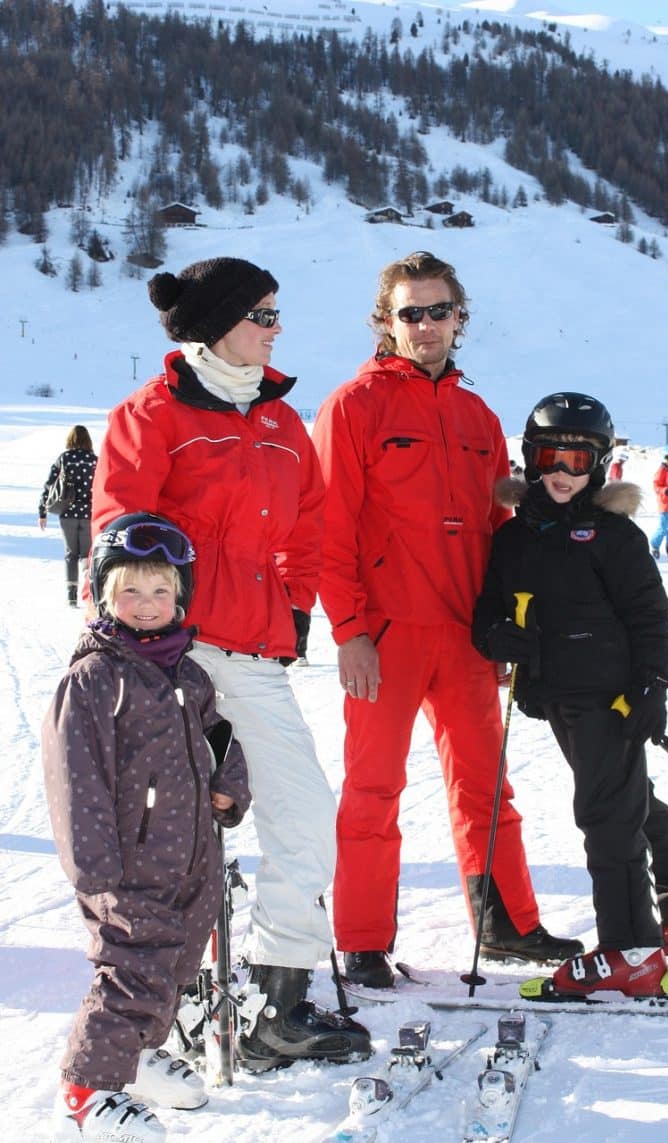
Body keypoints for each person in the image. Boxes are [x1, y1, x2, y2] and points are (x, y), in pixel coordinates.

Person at [90, 256, 370, 1070]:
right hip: (169, 654)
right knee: (167, 837)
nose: (276, 327)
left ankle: (278, 1004)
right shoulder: (153, 414)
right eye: (263, 313)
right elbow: (120, 530)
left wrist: (292, 606)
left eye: (278, 312)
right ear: (218, 323)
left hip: (252, 654)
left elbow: (308, 526)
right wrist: (141, 642)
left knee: (306, 814)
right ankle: (140, 1010)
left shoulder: (283, 423)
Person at [311, 250, 582, 989]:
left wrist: (505, 624)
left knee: (486, 787)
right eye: (410, 312)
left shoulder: (477, 416)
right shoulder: (354, 406)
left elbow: (503, 530)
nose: (425, 326)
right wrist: (349, 632)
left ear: (460, 317)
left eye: (438, 311)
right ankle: (363, 941)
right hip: (387, 634)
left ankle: (508, 925)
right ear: (386, 321)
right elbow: (327, 529)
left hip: (465, 636)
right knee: (373, 788)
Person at [472, 392, 668, 999]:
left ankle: (631, 950)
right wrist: (496, 634)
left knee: (607, 815)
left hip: (611, 698)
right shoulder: (516, 537)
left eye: (577, 459)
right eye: (548, 457)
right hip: (557, 696)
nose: (562, 473)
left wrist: (653, 683)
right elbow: (488, 608)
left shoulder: (612, 535)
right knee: (628, 799)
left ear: (600, 463)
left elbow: (650, 613)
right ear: (529, 458)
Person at [43, 513, 251, 1142]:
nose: (147, 605)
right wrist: (97, 872)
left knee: (177, 963)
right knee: (132, 971)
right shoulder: (94, 679)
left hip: (189, 860)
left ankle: (133, 1058)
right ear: (104, 595)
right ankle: (83, 1094)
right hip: (124, 867)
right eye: (130, 591)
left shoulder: (189, 675)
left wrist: (229, 788)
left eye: (161, 591)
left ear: (180, 596)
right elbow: (74, 777)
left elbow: (221, 743)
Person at [38, 424, 97, 606]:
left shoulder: (64, 458)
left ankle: (71, 595)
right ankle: (88, 592)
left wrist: (42, 512)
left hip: (67, 512)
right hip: (89, 513)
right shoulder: (95, 460)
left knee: (71, 554)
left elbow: (49, 485)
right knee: (87, 555)